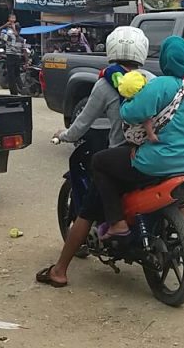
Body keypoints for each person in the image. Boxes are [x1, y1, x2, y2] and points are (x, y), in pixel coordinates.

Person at [37, 26, 152, 288]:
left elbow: (82, 122)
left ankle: (59, 270)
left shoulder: (104, 83)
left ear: (111, 50)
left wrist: (64, 135)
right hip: (154, 155)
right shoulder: (151, 79)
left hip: (119, 158)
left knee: (87, 210)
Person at [91, 36, 184, 240]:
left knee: (99, 161)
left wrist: (129, 99)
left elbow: (129, 114)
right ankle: (182, 211)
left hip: (158, 161)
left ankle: (117, 223)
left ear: (164, 59)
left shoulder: (159, 85)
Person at [0, 14, 25, 95]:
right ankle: (22, 89)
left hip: (10, 58)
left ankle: (14, 92)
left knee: (11, 76)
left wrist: (5, 25)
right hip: (18, 58)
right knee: (17, 75)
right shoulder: (21, 39)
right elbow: (24, 51)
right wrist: (26, 62)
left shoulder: (9, 37)